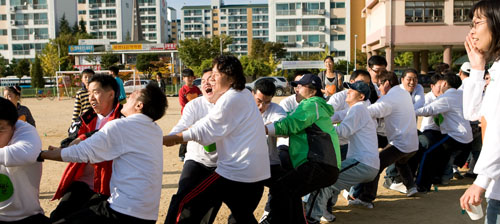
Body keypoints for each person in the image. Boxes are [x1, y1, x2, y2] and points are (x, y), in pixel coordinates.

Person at [163, 55, 270, 223]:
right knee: (242, 217)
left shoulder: (231, 98)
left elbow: (207, 129)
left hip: (235, 171)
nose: (211, 80)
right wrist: (175, 135)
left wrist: (172, 139)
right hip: (253, 174)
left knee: (186, 201)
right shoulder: (244, 94)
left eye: (215, 74)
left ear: (231, 77)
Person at [40, 83, 167, 223]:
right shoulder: (155, 130)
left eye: (132, 96)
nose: (126, 98)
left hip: (122, 210)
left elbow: (81, 152)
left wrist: (42, 154)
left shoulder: (121, 126)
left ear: (139, 105)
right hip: (148, 215)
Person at [263, 73, 341, 224]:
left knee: (281, 189)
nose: (296, 89)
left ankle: (270, 221)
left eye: (299, 86)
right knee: (290, 193)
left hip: (319, 164)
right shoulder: (314, 105)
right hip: (324, 165)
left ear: (312, 91)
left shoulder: (312, 104)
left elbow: (289, 125)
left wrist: (264, 129)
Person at [49, 74, 123, 222]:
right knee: (56, 217)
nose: (91, 98)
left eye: (95, 92)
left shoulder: (123, 119)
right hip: (82, 182)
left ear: (111, 94)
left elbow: (105, 138)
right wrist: (62, 148)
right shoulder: (86, 117)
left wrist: (83, 138)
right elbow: (69, 141)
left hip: (108, 186)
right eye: (89, 93)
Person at [305, 81, 379, 223]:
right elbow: (337, 115)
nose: (348, 91)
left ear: (361, 96)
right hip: (366, 163)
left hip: (363, 162)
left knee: (326, 180)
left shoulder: (358, 108)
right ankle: (323, 211)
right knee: (331, 178)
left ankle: (311, 218)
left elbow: (342, 132)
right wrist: (320, 118)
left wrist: (317, 127)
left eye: (352, 90)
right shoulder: (358, 109)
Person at [343, 71, 419, 208]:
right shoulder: (404, 93)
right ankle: (411, 186)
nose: (378, 88)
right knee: (401, 162)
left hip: (399, 143)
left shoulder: (389, 98)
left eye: (379, 85)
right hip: (413, 143)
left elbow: (369, 111)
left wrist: (351, 111)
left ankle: (366, 198)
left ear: (387, 83)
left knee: (376, 165)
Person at [164, 69, 221, 224]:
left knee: (212, 203)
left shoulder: (228, 105)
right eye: (203, 81)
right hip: (196, 160)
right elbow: (182, 124)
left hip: (222, 164)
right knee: (182, 195)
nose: (206, 83)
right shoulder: (195, 105)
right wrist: (172, 137)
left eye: (211, 79)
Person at [460, 1, 500, 223]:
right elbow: (473, 114)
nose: (472, 31)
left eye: (477, 23)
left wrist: (480, 181)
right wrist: (476, 68)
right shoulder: (494, 69)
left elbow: (498, 129)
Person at [414, 73, 473, 191]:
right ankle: (437, 179)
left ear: (445, 83)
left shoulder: (447, 97)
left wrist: (408, 111)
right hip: (467, 137)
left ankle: (421, 185)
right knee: (439, 156)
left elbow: (427, 110)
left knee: (428, 153)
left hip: (455, 136)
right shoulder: (462, 94)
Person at [0, 97, 49, 223]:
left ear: (13, 127)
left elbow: (27, 153)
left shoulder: (25, 131)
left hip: (26, 218)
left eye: (0, 129)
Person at [251, 79, 287, 223]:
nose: (261, 106)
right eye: (259, 100)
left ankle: (270, 214)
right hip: (245, 165)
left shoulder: (276, 109)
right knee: (245, 203)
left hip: (269, 163)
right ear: (252, 93)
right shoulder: (242, 107)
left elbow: (282, 124)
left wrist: (262, 128)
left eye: (267, 102)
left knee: (285, 187)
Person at [177, 68, 202, 162]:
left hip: (197, 115)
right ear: (183, 78)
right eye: (188, 77)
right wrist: (191, 109)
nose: (190, 79)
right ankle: (182, 154)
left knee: (195, 133)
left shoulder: (196, 89)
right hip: (186, 115)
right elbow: (182, 103)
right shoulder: (182, 90)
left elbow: (200, 100)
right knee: (185, 134)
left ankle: (194, 152)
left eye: (191, 77)